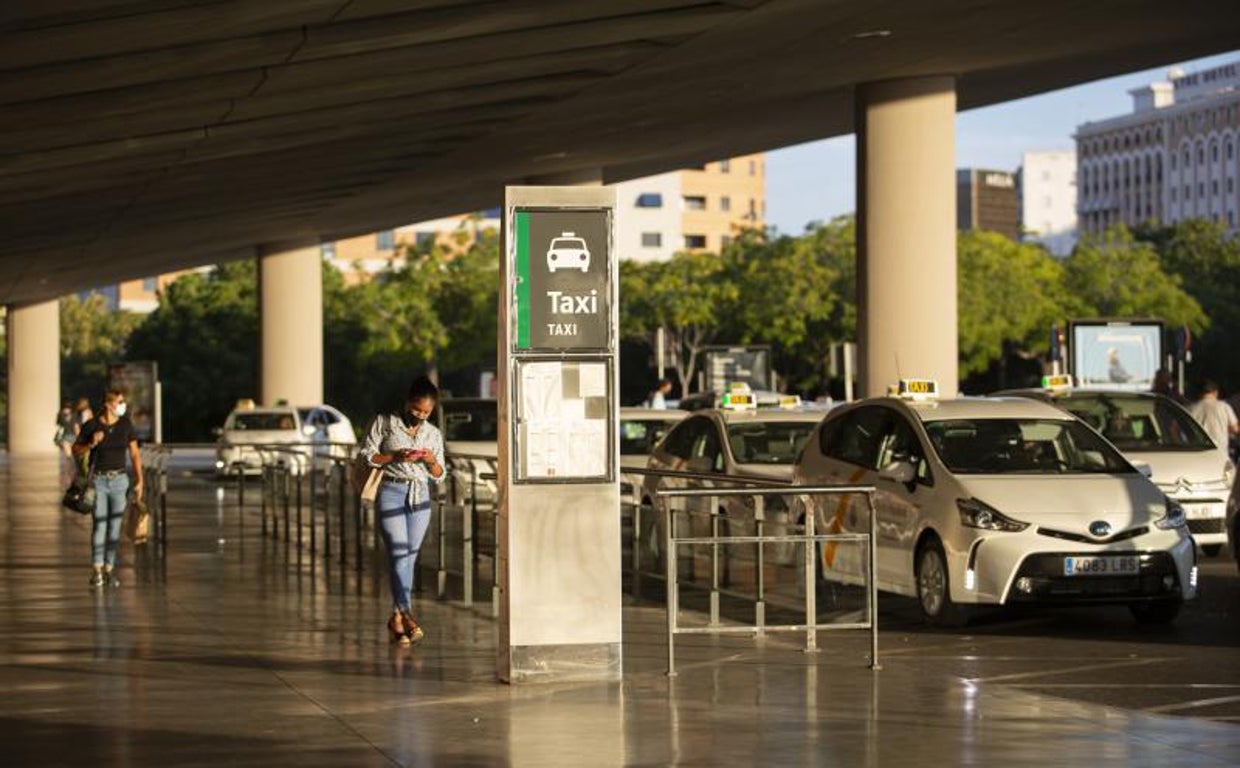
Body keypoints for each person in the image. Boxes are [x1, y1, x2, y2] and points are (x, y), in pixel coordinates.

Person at [358, 376, 445, 646]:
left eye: (426, 412)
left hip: (420, 496)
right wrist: (395, 456)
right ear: (408, 402)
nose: (419, 415)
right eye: (416, 409)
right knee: (398, 553)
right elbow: (366, 455)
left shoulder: (433, 434)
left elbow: (440, 475)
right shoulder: (385, 423)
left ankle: (396, 616)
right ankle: (407, 615)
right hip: (392, 492)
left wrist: (430, 461)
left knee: (408, 557)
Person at [72, 389, 143, 588]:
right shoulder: (91, 425)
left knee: (114, 529)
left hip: (120, 481)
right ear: (108, 404)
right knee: (100, 525)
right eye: (120, 402)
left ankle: (109, 569)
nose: (123, 405)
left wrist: (140, 480)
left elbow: (135, 454)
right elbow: (75, 450)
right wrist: (92, 443)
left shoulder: (125, 425)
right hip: (99, 482)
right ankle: (96, 570)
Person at [1187, 380, 1239, 452]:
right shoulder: (1224, 407)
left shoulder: (1190, 408)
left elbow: (1174, 428)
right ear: (1216, 392)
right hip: (1220, 450)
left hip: (1197, 450)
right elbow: (1235, 429)